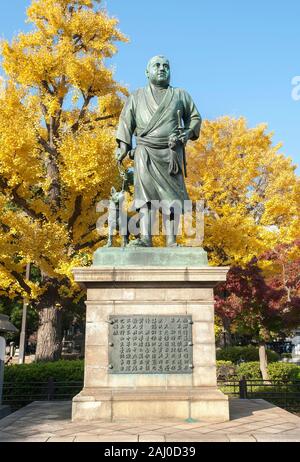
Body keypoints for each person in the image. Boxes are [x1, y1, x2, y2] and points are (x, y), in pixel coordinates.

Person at [116, 55, 202, 247]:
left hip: (172, 151)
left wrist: (187, 133)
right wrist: (123, 147)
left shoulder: (180, 95)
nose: (162, 69)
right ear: (147, 72)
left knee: (172, 198)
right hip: (145, 151)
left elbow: (195, 118)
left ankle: (171, 241)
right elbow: (125, 122)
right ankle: (145, 238)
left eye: (166, 66)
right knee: (145, 196)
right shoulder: (136, 96)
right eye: (156, 66)